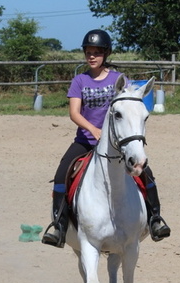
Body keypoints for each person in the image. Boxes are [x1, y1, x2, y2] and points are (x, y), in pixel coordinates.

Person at [41, 29, 171, 248]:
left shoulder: (118, 80)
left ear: (106, 54)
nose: (92, 56)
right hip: (85, 141)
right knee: (61, 173)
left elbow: (130, 109)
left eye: (97, 52)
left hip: (116, 144)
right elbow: (74, 113)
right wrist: (92, 129)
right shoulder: (79, 81)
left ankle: (155, 219)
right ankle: (59, 225)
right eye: (88, 52)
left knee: (145, 174)